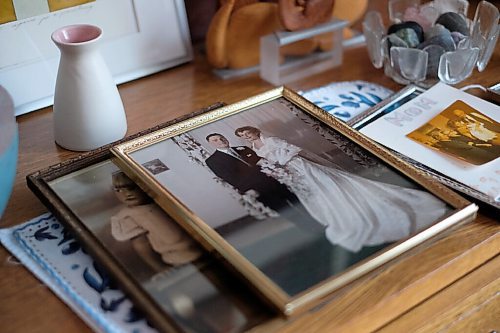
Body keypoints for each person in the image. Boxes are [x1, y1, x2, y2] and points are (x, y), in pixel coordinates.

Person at [234, 126, 448, 252]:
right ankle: (336, 216)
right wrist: (277, 170)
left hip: (298, 165)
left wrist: (283, 163)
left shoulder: (270, 140)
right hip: (290, 175)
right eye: (243, 136)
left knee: (328, 184)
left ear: (254, 131)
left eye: (248, 133)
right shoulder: (254, 149)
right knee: (315, 195)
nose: (247, 137)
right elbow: (266, 163)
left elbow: (293, 151)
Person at [204, 133, 324, 233]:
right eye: (215, 140)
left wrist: (278, 171)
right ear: (211, 144)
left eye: (221, 138)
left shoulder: (243, 149)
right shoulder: (213, 160)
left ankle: (320, 223)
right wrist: (249, 189)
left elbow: (260, 162)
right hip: (257, 189)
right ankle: (311, 230)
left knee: (297, 202)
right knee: (285, 210)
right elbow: (229, 177)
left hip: (274, 181)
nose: (220, 141)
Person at [110, 171, 202, 270]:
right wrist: (160, 268)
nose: (126, 194)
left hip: (200, 244)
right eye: (118, 190)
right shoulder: (128, 216)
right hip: (177, 258)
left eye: (132, 187)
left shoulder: (162, 199)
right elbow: (142, 245)